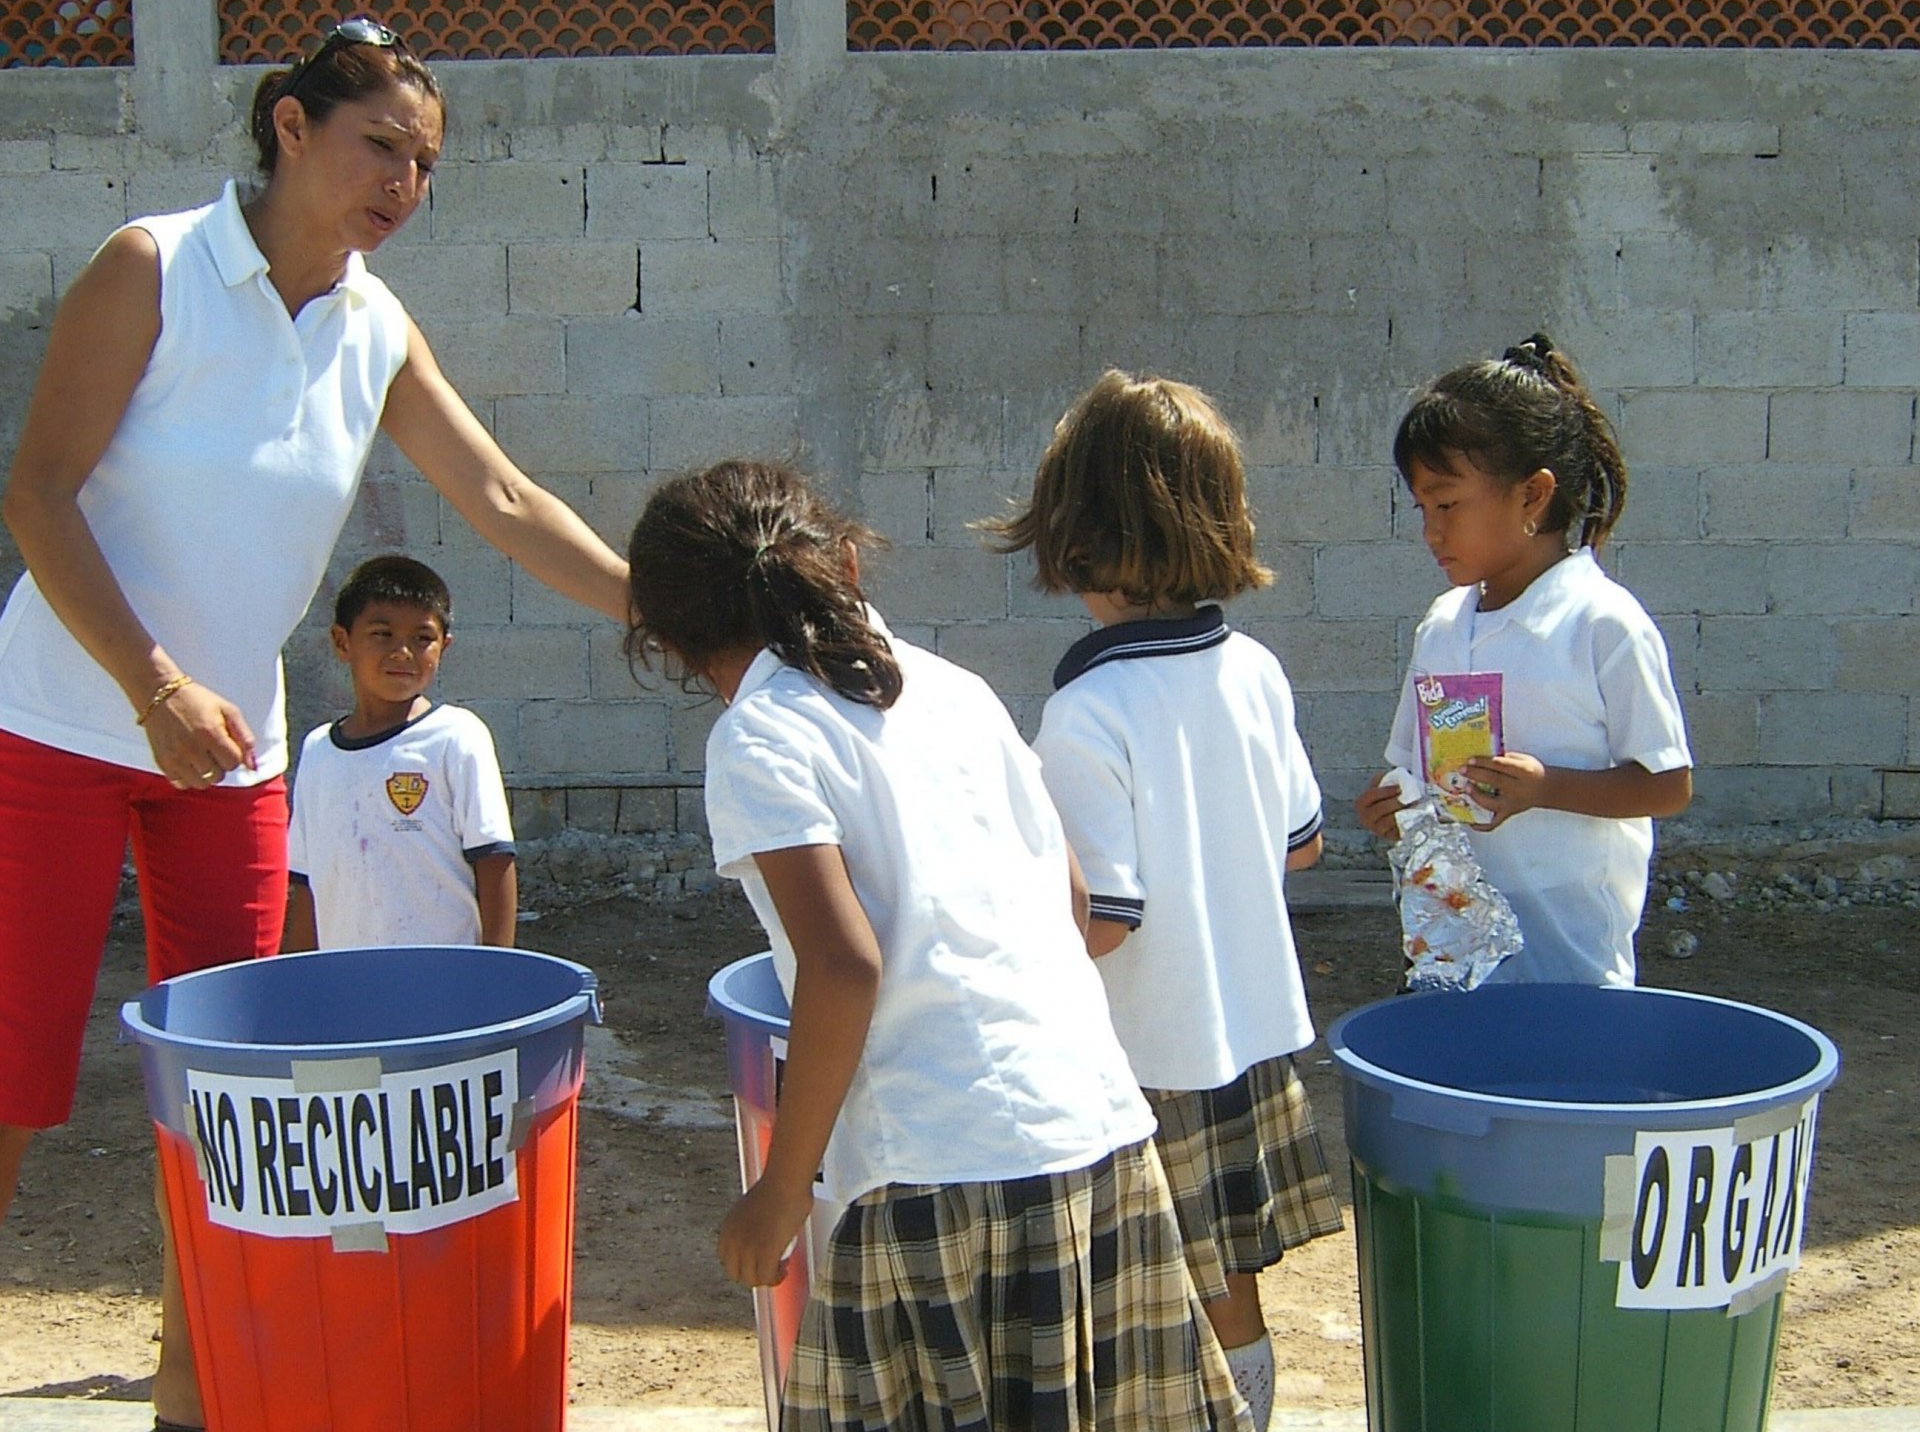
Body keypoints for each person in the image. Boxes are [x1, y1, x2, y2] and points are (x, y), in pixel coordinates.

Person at [0, 18, 627, 1429]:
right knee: (16, 1077)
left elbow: (510, 503)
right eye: (380, 147)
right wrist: (151, 685)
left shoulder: (373, 327)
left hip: (229, 762)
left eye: (426, 164)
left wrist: (670, 609)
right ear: (290, 126)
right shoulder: (150, 267)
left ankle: (193, 1395)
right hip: (52, 730)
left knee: (232, 1106)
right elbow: (36, 496)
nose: (405, 183)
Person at [626, 459, 1252, 1431]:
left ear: (665, 640)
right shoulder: (954, 689)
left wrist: (782, 1191)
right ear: (842, 563)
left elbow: (843, 966)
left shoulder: (759, 737)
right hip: (1098, 1138)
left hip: (941, 1173)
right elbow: (1072, 898)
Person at [982, 370, 1344, 1431]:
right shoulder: (1255, 671)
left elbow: (1104, 919)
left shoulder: (1087, 711)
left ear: (1075, 537)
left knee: (1137, 1302)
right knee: (1231, 1278)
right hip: (1247, 1037)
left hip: (1144, 1059)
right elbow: (1306, 846)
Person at [1353, 334, 1693, 987]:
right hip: (1454, 965)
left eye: (1448, 504)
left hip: (1574, 972)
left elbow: (1667, 783)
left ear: (1533, 496)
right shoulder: (1443, 627)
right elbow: (1413, 772)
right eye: (1421, 508)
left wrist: (1547, 788)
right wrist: (1393, 809)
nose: (1431, 531)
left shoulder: (1601, 624)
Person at [283, 555, 515, 951]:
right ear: (343, 642)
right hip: (348, 981)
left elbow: (494, 863)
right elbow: (306, 881)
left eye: (422, 638)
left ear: (444, 646)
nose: (403, 652)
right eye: (382, 634)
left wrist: (494, 973)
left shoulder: (456, 737)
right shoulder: (319, 750)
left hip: (442, 984)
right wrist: (303, 980)